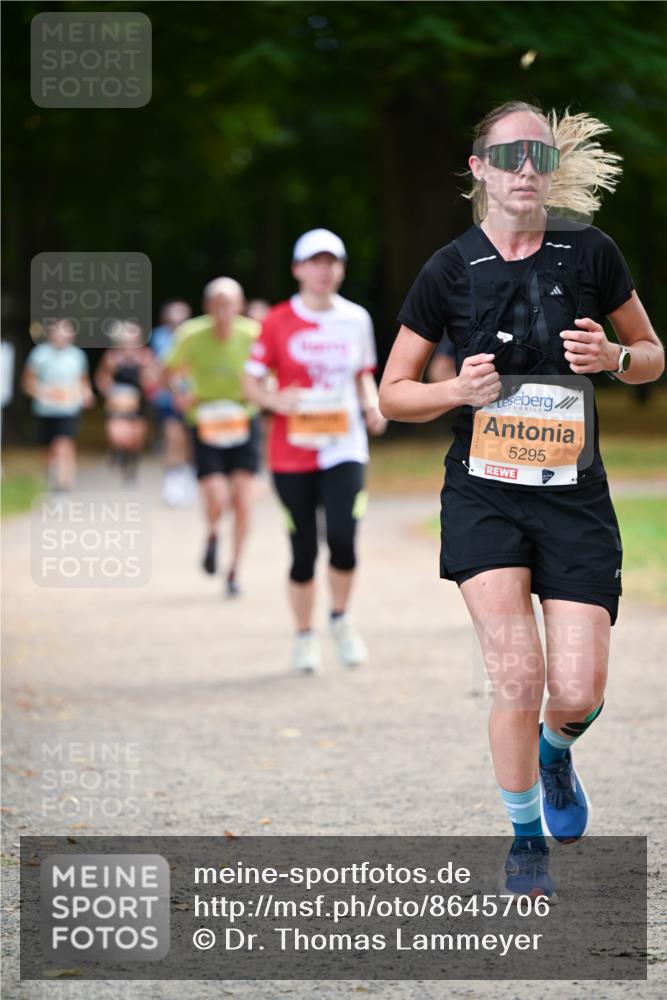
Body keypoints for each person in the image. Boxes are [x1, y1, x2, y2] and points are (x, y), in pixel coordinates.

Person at [379, 102, 664, 900]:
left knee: (576, 691)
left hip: (573, 497)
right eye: (509, 155)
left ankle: (554, 751)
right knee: (516, 672)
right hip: (484, 496)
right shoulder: (447, 268)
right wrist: (450, 390)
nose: (526, 168)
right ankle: (524, 835)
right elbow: (392, 395)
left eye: (538, 153)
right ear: (479, 169)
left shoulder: (591, 251)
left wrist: (611, 357)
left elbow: (651, 354)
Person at [244, 228, 387, 674]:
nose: (323, 271)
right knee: (303, 548)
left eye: (332, 262)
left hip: (344, 444)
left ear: (340, 269)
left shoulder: (356, 319)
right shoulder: (277, 321)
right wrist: (272, 400)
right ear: (298, 269)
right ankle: (304, 636)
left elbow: (363, 373)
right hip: (292, 451)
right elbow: (250, 380)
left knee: (343, 538)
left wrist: (372, 404)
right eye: (314, 262)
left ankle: (340, 619)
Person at [163, 277, 260, 597]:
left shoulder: (253, 334)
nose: (224, 309)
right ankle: (213, 533)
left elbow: (270, 372)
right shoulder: (190, 334)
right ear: (207, 307)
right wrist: (181, 393)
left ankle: (234, 570)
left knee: (244, 500)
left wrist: (265, 392)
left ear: (240, 306)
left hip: (243, 418)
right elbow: (170, 371)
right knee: (217, 496)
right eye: (218, 302)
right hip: (205, 421)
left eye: (230, 302)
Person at [21, 319, 94, 491]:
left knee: (64, 444)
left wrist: (86, 394)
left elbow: (83, 382)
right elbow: (27, 383)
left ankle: (64, 483)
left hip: (69, 409)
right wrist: (44, 393)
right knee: (47, 450)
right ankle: (48, 477)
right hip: (45, 410)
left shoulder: (77, 356)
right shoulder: (39, 354)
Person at [95, 321, 160, 483]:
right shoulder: (112, 357)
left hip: (139, 404)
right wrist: (108, 389)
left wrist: (148, 380)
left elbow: (154, 377)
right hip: (118, 403)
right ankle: (118, 454)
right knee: (117, 435)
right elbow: (101, 378)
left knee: (135, 439)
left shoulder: (145, 357)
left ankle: (131, 467)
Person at [149, 300, 196, 506]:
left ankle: (187, 475)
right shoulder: (157, 337)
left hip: (191, 396)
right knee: (171, 436)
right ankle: (172, 479)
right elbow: (156, 366)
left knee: (188, 439)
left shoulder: (195, 337)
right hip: (167, 397)